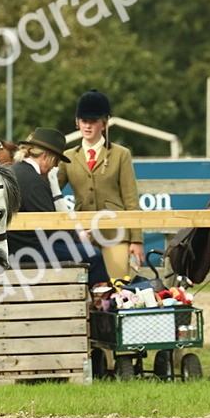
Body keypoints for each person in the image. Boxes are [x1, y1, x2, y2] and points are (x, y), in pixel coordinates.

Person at [6, 128, 109, 287]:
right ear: (46, 156)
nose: (54, 167)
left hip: (16, 247)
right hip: (30, 250)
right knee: (93, 254)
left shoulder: (15, 171)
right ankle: (100, 298)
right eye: (56, 162)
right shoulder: (34, 181)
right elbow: (51, 225)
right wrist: (79, 237)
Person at [58, 89, 143, 279]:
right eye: (83, 121)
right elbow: (52, 192)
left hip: (115, 233)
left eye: (93, 121)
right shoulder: (67, 157)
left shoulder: (121, 154)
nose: (87, 126)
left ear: (104, 123)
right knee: (85, 289)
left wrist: (136, 240)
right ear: (77, 122)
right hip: (83, 234)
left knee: (118, 286)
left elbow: (131, 200)